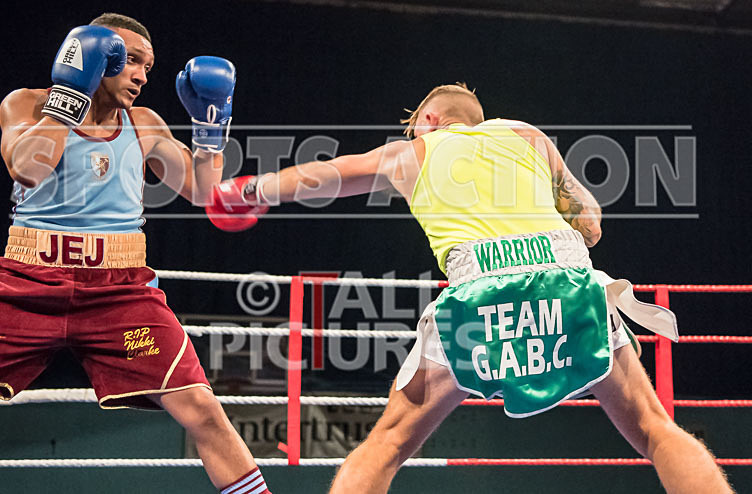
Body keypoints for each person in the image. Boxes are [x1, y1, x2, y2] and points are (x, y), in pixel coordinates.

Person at [209, 83, 734, 493]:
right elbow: (592, 224)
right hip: (564, 277)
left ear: (430, 121)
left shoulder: (408, 154)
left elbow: (326, 175)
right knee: (652, 427)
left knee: (388, 442)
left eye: (415, 125)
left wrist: (246, 191)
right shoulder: (527, 136)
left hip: (476, 292)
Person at [0, 13, 271, 494]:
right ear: (97, 56)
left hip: (120, 292)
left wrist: (210, 130)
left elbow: (204, 193)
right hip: (27, 283)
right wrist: (68, 95)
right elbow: (26, 167)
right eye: (132, 60)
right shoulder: (28, 104)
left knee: (202, 409)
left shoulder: (143, 124)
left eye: (150, 65)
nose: (143, 74)